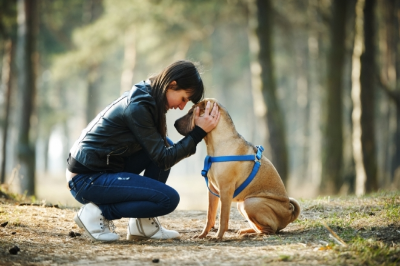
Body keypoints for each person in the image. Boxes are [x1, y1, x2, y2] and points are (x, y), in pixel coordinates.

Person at [66, 60, 220, 241]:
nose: (181, 107)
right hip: (86, 180)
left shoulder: (150, 97)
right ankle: (97, 212)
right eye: (184, 99)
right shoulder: (139, 106)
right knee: (168, 199)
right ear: (172, 85)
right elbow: (164, 159)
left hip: (104, 170)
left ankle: (142, 224)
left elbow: (161, 154)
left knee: (167, 144)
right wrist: (198, 133)